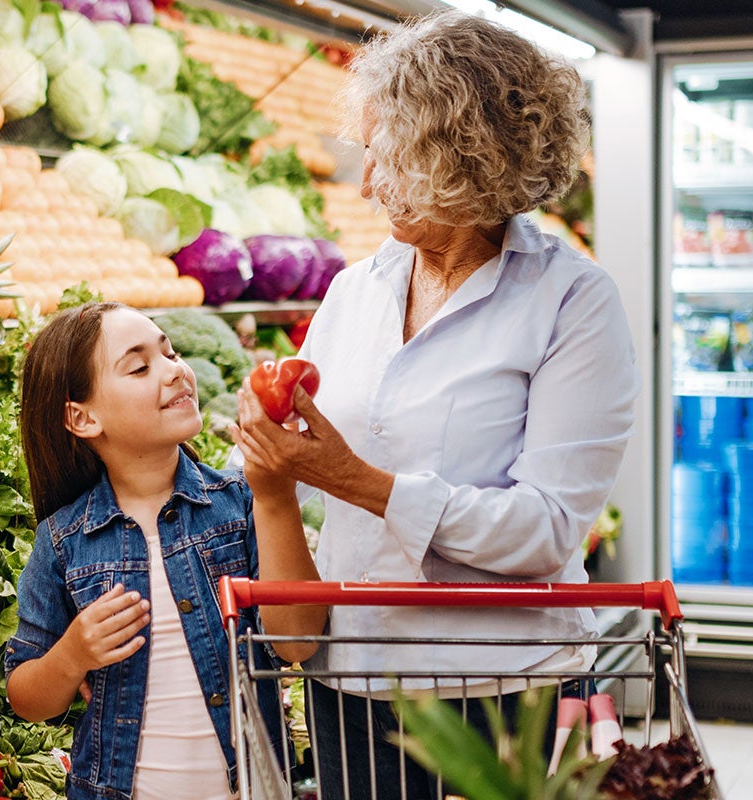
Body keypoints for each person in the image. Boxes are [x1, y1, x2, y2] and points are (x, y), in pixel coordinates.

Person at [236, 10, 638, 800]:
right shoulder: (356, 291)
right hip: (350, 675)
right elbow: (303, 470)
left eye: (388, 160)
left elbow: (548, 528)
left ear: (462, 161)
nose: (364, 184)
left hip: (500, 687)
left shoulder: (572, 302)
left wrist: (362, 482)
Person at [4, 302, 327, 800]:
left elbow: (299, 641)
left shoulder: (241, 503)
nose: (175, 370)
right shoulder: (63, 541)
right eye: (139, 366)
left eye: (170, 352)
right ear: (82, 417)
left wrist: (277, 495)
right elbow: (27, 698)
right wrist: (71, 656)